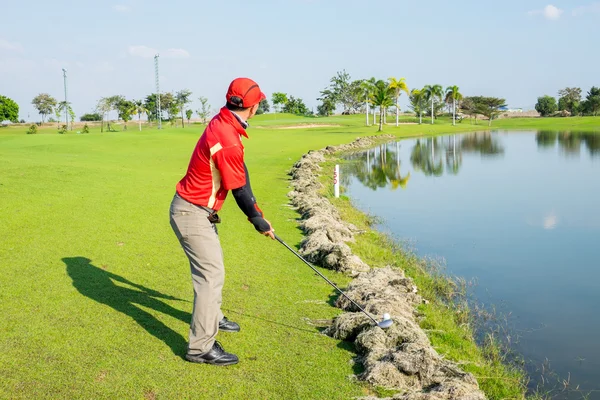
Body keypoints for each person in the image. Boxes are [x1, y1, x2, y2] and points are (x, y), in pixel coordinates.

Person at [169, 77, 274, 366]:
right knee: (210, 277)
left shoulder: (226, 121)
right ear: (251, 106)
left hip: (197, 212)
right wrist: (257, 220)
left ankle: (213, 316)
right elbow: (239, 188)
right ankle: (200, 348)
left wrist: (257, 214)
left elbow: (240, 170)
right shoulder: (227, 136)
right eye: (258, 103)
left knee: (214, 271)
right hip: (191, 213)